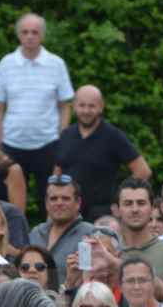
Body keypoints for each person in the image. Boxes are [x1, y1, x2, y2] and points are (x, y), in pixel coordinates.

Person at [0, 13, 75, 213]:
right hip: (11, 144)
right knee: (5, 201)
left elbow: (65, 104)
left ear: (42, 35)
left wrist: (62, 138)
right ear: (18, 35)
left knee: (53, 199)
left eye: (34, 32)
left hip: (48, 143)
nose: (29, 36)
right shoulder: (6, 64)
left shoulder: (56, 64)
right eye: (25, 32)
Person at [49, 84, 150, 221]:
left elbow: (143, 171)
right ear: (74, 106)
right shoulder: (66, 135)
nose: (86, 111)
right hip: (69, 213)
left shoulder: (113, 136)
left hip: (101, 215)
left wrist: (122, 200)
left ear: (101, 106)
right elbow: (57, 172)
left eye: (91, 106)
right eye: (82, 105)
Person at [116, 177, 163, 295]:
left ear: (152, 208)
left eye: (141, 203)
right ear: (118, 209)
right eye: (128, 204)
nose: (135, 209)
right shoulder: (111, 251)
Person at [29, 175, 97, 266]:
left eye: (65, 198)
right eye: (53, 199)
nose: (59, 203)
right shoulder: (36, 233)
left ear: (78, 203)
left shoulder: (91, 234)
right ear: (46, 203)